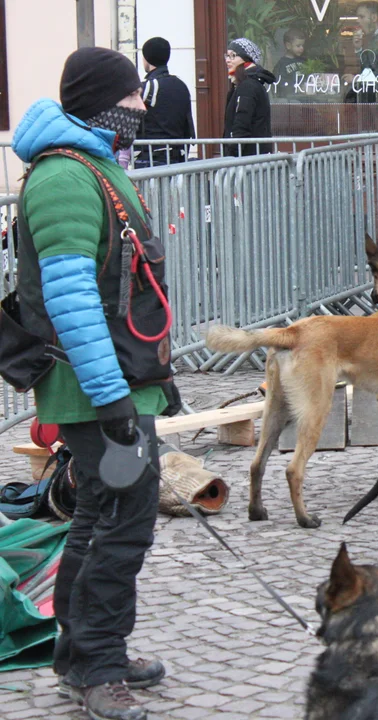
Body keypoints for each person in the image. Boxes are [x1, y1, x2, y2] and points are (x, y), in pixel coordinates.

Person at [11, 47, 179, 720]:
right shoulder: (63, 178)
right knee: (120, 522)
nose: (144, 107)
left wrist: (152, 387)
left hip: (117, 382)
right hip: (93, 390)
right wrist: (112, 399)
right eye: (135, 97)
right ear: (104, 104)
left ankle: (82, 651)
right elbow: (72, 298)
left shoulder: (95, 165)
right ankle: (97, 666)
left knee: (101, 518)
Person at [136, 36, 195, 168]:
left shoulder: (148, 87)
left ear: (146, 58)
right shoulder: (181, 85)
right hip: (178, 157)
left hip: (151, 159)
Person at [223, 38, 276, 156]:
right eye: (227, 55)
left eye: (233, 56)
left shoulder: (248, 86)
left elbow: (241, 124)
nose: (227, 60)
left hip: (247, 158)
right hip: (251, 157)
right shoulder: (245, 84)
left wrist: (232, 153)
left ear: (247, 60)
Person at [273, 28, 308, 99]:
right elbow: (280, 84)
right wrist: (295, 88)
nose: (302, 48)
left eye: (302, 45)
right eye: (298, 46)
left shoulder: (304, 61)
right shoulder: (282, 64)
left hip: (305, 98)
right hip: (290, 101)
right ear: (288, 45)